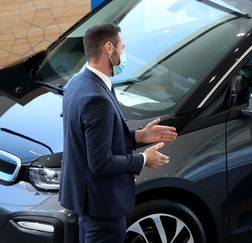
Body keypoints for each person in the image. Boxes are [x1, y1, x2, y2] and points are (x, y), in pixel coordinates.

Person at [59, 23, 178, 243]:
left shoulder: (78, 82)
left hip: (86, 200)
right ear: (109, 49)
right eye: (122, 48)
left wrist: (138, 136)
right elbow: (100, 163)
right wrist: (143, 159)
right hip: (103, 206)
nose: (124, 54)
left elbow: (92, 140)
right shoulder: (97, 99)